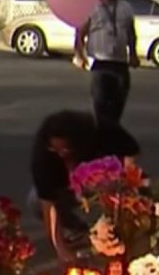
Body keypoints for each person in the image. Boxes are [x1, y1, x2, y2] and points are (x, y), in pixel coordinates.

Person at [29, 110, 141, 264]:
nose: (61, 154)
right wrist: (60, 248)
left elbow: (132, 151)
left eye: (66, 149)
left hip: (106, 178)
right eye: (55, 149)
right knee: (34, 200)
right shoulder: (43, 155)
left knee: (123, 202)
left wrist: (124, 177)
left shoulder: (101, 130)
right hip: (68, 186)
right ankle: (80, 230)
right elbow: (48, 204)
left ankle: (118, 234)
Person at [74, 0, 138, 126]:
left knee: (117, 108)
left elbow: (131, 32)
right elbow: (80, 34)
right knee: (102, 107)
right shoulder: (91, 7)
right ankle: (104, 139)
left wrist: (133, 54)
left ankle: (112, 135)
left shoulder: (125, 7)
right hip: (101, 64)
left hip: (121, 64)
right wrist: (80, 55)